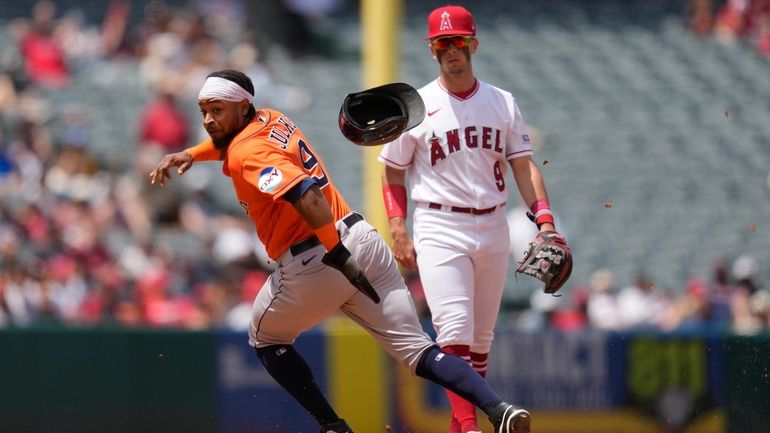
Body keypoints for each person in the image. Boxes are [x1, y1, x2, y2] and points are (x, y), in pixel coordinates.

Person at [149, 69, 530, 433]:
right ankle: (499, 409)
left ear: (242, 108)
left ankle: (333, 426)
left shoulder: (246, 153)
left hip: (320, 257)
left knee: (264, 339)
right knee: (420, 352)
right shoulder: (270, 118)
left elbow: (308, 197)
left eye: (217, 110)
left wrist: (337, 254)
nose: (208, 120)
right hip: (363, 237)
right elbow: (228, 142)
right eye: (204, 112)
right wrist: (191, 154)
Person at [378, 6, 564, 433]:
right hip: (439, 225)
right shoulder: (417, 105)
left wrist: (545, 222)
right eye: (442, 44)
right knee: (455, 330)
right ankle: (472, 428)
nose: (451, 51)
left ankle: (460, 426)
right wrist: (398, 227)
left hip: (493, 223)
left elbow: (523, 165)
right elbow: (391, 170)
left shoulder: (502, 102)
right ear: (432, 50)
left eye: (458, 42)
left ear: (473, 45)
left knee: (480, 342)